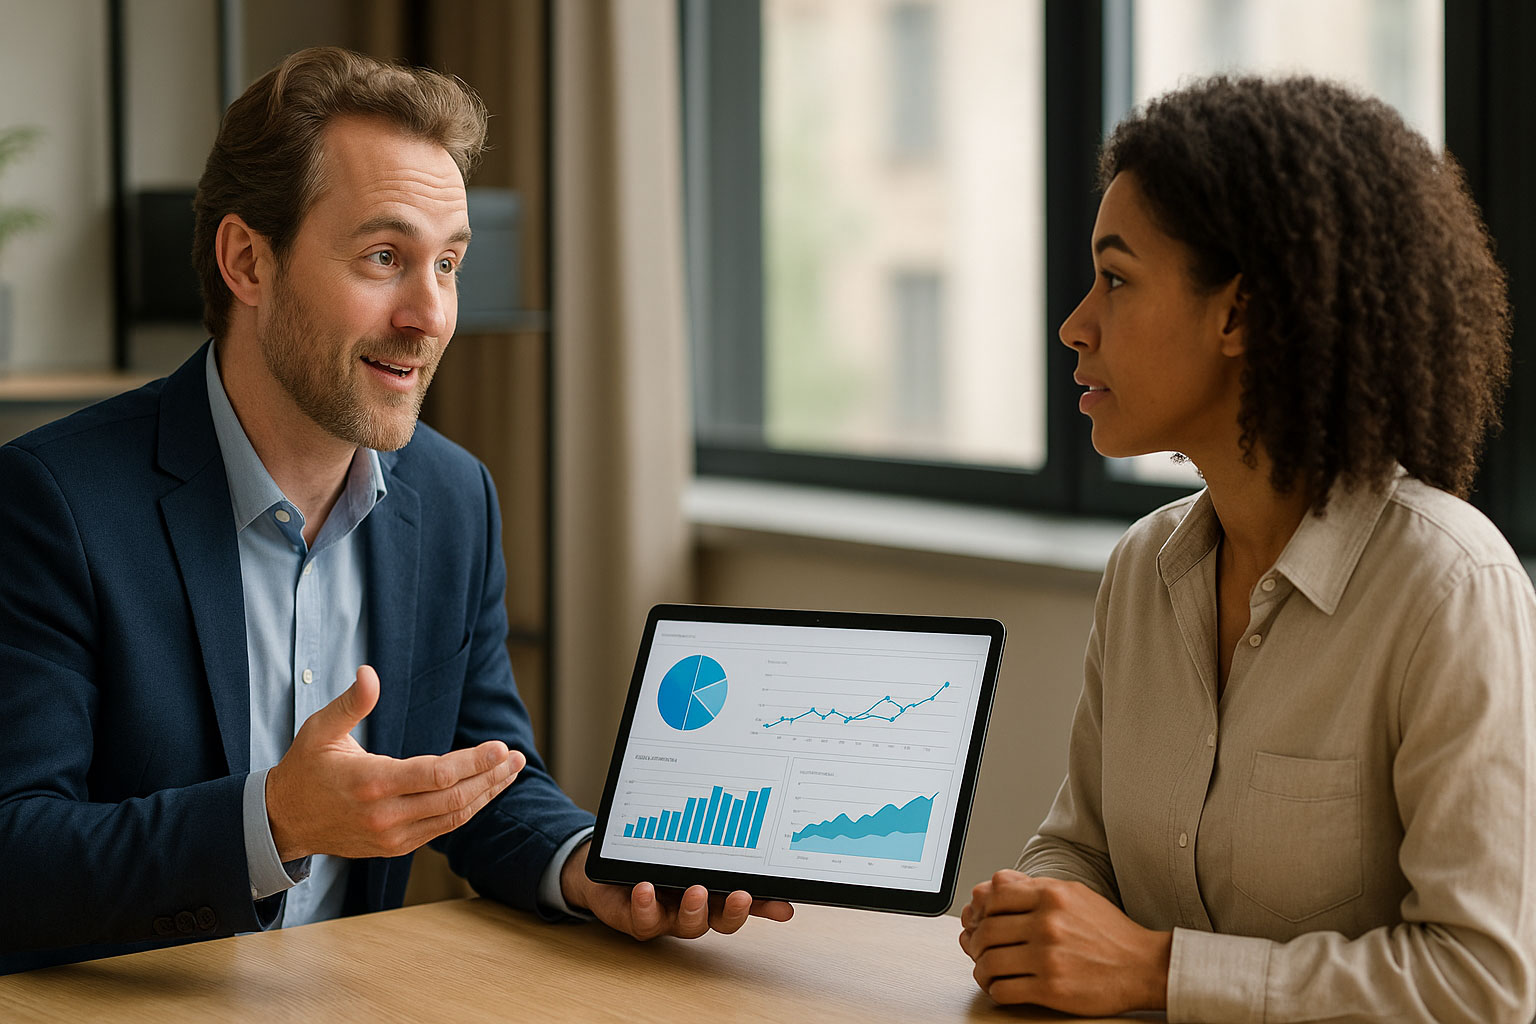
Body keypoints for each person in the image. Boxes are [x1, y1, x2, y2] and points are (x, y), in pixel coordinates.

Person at [0, 46, 790, 974]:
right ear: (248, 261)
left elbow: (479, 778)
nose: (432, 314)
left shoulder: (454, 499)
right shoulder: (51, 503)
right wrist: (275, 819)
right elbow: (16, 852)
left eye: (447, 263)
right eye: (385, 256)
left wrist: (589, 869)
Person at [958, 75, 1536, 1022]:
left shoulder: (1451, 589)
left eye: (1115, 277)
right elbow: (1082, 846)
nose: (1075, 325)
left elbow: (1480, 986)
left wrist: (1157, 972)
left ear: (1240, 316)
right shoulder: (1143, 572)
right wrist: (1039, 912)